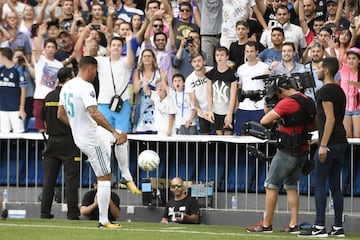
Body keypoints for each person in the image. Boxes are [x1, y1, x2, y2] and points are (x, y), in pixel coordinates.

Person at [57, 56, 124, 229]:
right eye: (96, 70)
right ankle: (104, 221)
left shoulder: (67, 86)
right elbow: (94, 112)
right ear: (90, 68)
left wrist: (75, 127)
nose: (96, 74)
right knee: (104, 176)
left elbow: (60, 114)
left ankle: (104, 220)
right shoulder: (86, 87)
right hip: (91, 138)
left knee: (103, 175)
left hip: (80, 137)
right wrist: (114, 132)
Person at [246, 75, 316, 233]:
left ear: (281, 90)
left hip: (287, 151)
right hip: (303, 150)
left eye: (277, 94)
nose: (276, 96)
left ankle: (266, 224)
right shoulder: (308, 100)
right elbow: (314, 125)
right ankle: (293, 224)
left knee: (271, 185)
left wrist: (275, 112)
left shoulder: (288, 102)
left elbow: (265, 121)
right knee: (291, 186)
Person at [298, 57, 348, 237]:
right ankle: (337, 227)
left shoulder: (324, 92)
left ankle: (319, 226)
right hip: (340, 142)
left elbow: (330, 120)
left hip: (331, 144)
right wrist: (319, 140)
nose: (316, 71)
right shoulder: (339, 91)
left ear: (326, 71)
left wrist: (323, 145)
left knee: (319, 185)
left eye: (319, 68)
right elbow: (332, 120)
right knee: (335, 186)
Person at [40, 67, 80, 220]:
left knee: (48, 179)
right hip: (69, 141)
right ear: (70, 78)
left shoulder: (49, 96)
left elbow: (43, 119)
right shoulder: (71, 96)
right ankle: (72, 213)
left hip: (51, 141)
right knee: (71, 179)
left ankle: (44, 212)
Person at [234, 41, 268, 136]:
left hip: (260, 106)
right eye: (247, 51)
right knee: (241, 134)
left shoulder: (265, 67)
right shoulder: (241, 68)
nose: (249, 54)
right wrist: (237, 106)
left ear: (257, 52)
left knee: (259, 134)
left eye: (251, 51)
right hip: (243, 106)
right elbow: (239, 88)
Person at [206, 46, 238, 135]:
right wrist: (210, 110)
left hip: (227, 111)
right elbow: (209, 93)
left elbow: (233, 96)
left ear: (227, 57)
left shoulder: (232, 75)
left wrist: (230, 113)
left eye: (222, 55)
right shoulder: (210, 74)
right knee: (218, 137)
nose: (219, 57)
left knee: (227, 137)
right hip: (215, 111)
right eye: (217, 55)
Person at [185, 52, 213, 135]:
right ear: (192, 64)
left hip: (217, 110)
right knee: (205, 138)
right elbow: (193, 102)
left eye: (199, 61)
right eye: (194, 61)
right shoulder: (189, 79)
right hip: (203, 113)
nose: (197, 63)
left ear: (204, 62)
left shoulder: (212, 71)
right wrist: (204, 115)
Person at [0, 47, 26, 133]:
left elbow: (23, 90)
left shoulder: (18, 69)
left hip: (15, 109)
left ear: (3, 56)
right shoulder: (1, 69)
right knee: (4, 134)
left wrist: (21, 108)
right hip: (2, 109)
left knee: (18, 134)